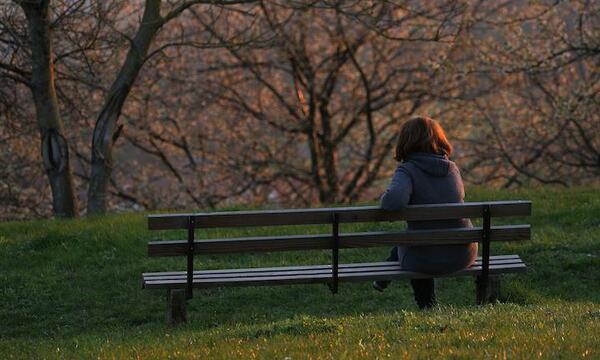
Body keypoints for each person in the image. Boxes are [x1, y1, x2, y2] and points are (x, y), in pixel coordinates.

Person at [373, 116, 477, 309]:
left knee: (412, 245)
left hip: (425, 258)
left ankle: (427, 305)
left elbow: (392, 203)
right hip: (462, 254)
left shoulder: (407, 170)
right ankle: (382, 280)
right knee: (412, 242)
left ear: (406, 141)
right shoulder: (452, 169)